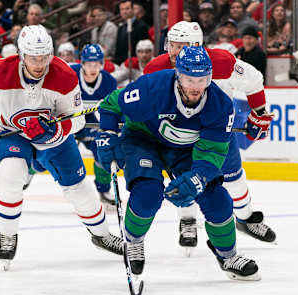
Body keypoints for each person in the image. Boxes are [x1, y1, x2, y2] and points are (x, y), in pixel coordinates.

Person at [0, 25, 123, 270]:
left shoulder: (65, 75)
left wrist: (55, 129)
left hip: (55, 139)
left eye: (44, 58)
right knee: (10, 177)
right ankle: (8, 234)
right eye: (32, 58)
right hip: (12, 133)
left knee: (79, 189)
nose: (39, 64)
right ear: (21, 55)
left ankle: (101, 234)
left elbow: (78, 118)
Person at [95, 46, 261, 281]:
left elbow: (213, 151)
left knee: (217, 199)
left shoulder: (221, 105)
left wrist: (199, 178)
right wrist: (107, 133)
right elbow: (112, 104)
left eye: (202, 79)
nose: (195, 86)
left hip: (185, 149)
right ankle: (133, 241)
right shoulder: (153, 87)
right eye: (188, 79)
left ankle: (228, 256)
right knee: (148, 194)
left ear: (210, 77)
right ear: (177, 75)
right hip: (144, 140)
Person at [143, 21, 276, 250]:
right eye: (171, 45)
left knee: (233, 177)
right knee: (184, 179)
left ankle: (246, 218)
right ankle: (187, 220)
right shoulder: (157, 67)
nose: (173, 52)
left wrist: (259, 114)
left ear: (195, 45)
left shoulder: (222, 62)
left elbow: (253, 80)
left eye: (180, 46)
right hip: (179, 134)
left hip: (217, 133)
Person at [70, 44, 118, 205]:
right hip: (68, 118)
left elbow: (113, 108)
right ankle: (31, 171)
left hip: (89, 119)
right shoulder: (70, 75)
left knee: (102, 151)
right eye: (89, 64)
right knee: (51, 151)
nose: (93, 68)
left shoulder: (109, 81)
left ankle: (104, 190)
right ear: (82, 63)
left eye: (97, 64)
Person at [114, 0, 149, 65]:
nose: (124, 12)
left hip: (135, 65)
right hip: (120, 65)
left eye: (127, 9)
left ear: (133, 9)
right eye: (122, 9)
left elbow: (144, 48)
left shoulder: (141, 26)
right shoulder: (121, 27)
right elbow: (118, 49)